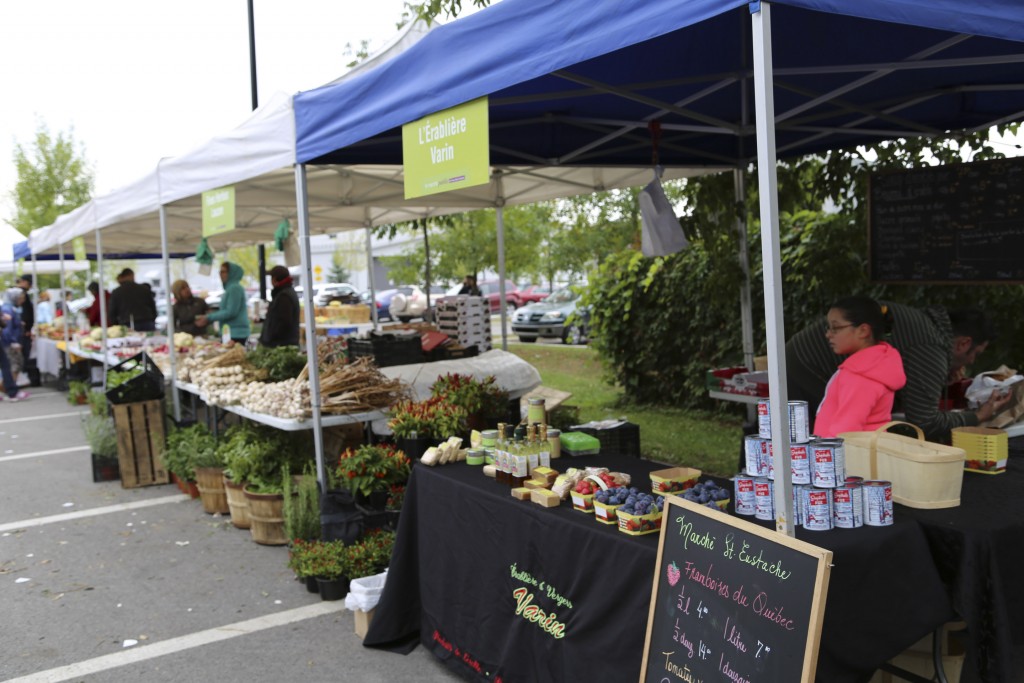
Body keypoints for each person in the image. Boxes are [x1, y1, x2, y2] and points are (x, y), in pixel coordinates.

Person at [787, 302, 1011, 443]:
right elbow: (924, 422)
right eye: (976, 354)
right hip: (806, 370)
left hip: (800, 357)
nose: (972, 361)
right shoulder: (929, 350)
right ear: (963, 343)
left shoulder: (925, 326)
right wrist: (978, 416)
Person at [812, 297, 906, 437]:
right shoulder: (873, 365)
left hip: (847, 456)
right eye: (828, 328)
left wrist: (827, 456)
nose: (828, 334)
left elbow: (846, 430)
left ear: (863, 331)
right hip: (862, 454)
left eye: (836, 328)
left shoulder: (862, 373)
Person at [196, 262, 250, 344]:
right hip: (230, 332)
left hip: (236, 333)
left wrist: (209, 317)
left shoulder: (234, 288)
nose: (221, 275)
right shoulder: (230, 289)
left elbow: (231, 312)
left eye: (224, 272)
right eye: (220, 272)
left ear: (231, 273)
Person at [258, 265, 299, 348]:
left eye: (271, 278)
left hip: (281, 345)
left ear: (275, 279)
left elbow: (284, 322)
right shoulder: (285, 293)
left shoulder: (284, 296)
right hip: (283, 343)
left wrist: (271, 337)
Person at [0, 288, 29, 401]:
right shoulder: (8, 308)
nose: (22, 300)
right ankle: (12, 391)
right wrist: (13, 341)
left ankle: (11, 390)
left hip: (6, 340)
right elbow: (7, 328)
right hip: (7, 341)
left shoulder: (8, 308)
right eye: (21, 298)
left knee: (8, 365)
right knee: (10, 365)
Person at [15, 275, 40, 387]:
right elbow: (24, 314)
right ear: (24, 282)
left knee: (26, 356)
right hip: (23, 332)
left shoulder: (23, 293)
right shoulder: (19, 293)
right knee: (24, 356)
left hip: (25, 330)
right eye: (30, 283)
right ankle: (25, 378)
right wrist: (25, 329)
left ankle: (26, 378)